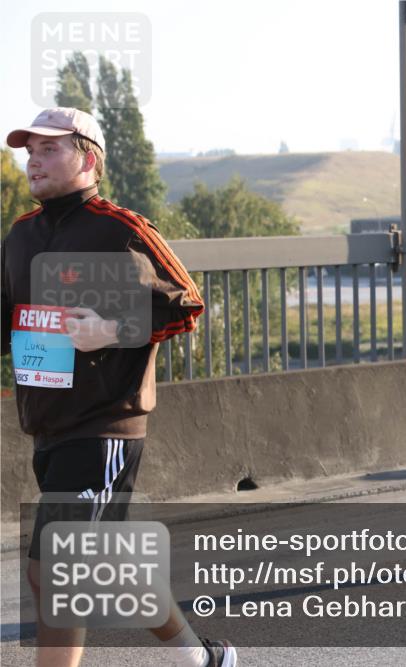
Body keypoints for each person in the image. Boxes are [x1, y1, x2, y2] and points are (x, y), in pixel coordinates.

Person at [1, 108, 236, 666]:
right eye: (29, 149)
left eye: (49, 148)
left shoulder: (119, 228)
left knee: (54, 572)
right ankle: (200, 658)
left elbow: (186, 304)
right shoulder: (20, 234)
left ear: (87, 157)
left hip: (106, 423)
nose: (33, 158)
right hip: (47, 422)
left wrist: (109, 329)